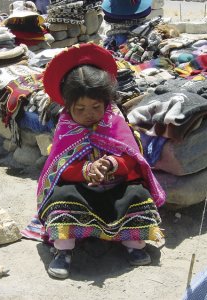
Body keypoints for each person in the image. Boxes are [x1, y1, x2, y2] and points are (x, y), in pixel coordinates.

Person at [37, 43, 166, 279]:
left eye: (96, 106)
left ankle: (133, 245)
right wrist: (86, 170)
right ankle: (63, 251)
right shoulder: (65, 128)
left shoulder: (115, 121)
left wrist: (112, 165)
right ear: (68, 106)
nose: (89, 113)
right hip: (81, 190)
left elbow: (132, 159)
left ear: (106, 101)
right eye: (80, 108)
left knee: (137, 195)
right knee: (61, 197)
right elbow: (58, 170)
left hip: (115, 187)